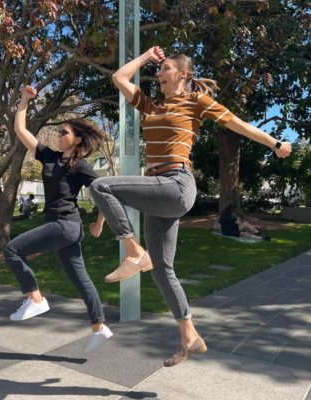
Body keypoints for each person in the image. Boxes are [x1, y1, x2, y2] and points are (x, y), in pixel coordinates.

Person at [89, 46, 291, 366]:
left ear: (183, 74)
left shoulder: (195, 102)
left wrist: (276, 144)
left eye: (164, 69)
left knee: (100, 184)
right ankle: (189, 335)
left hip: (177, 184)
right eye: (159, 70)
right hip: (159, 191)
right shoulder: (152, 105)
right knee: (162, 271)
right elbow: (119, 77)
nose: (159, 75)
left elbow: (236, 123)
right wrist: (145, 57)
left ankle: (133, 252)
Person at [4, 85, 112, 352]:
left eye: (64, 132)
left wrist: (100, 222)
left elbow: (105, 193)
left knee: (12, 250)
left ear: (76, 140)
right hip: (64, 227)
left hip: (64, 225)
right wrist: (23, 100)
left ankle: (36, 298)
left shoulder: (80, 165)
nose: (59, 134)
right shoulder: (49, 157)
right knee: (80, 278)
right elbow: (21, 131)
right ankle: (99, 327)